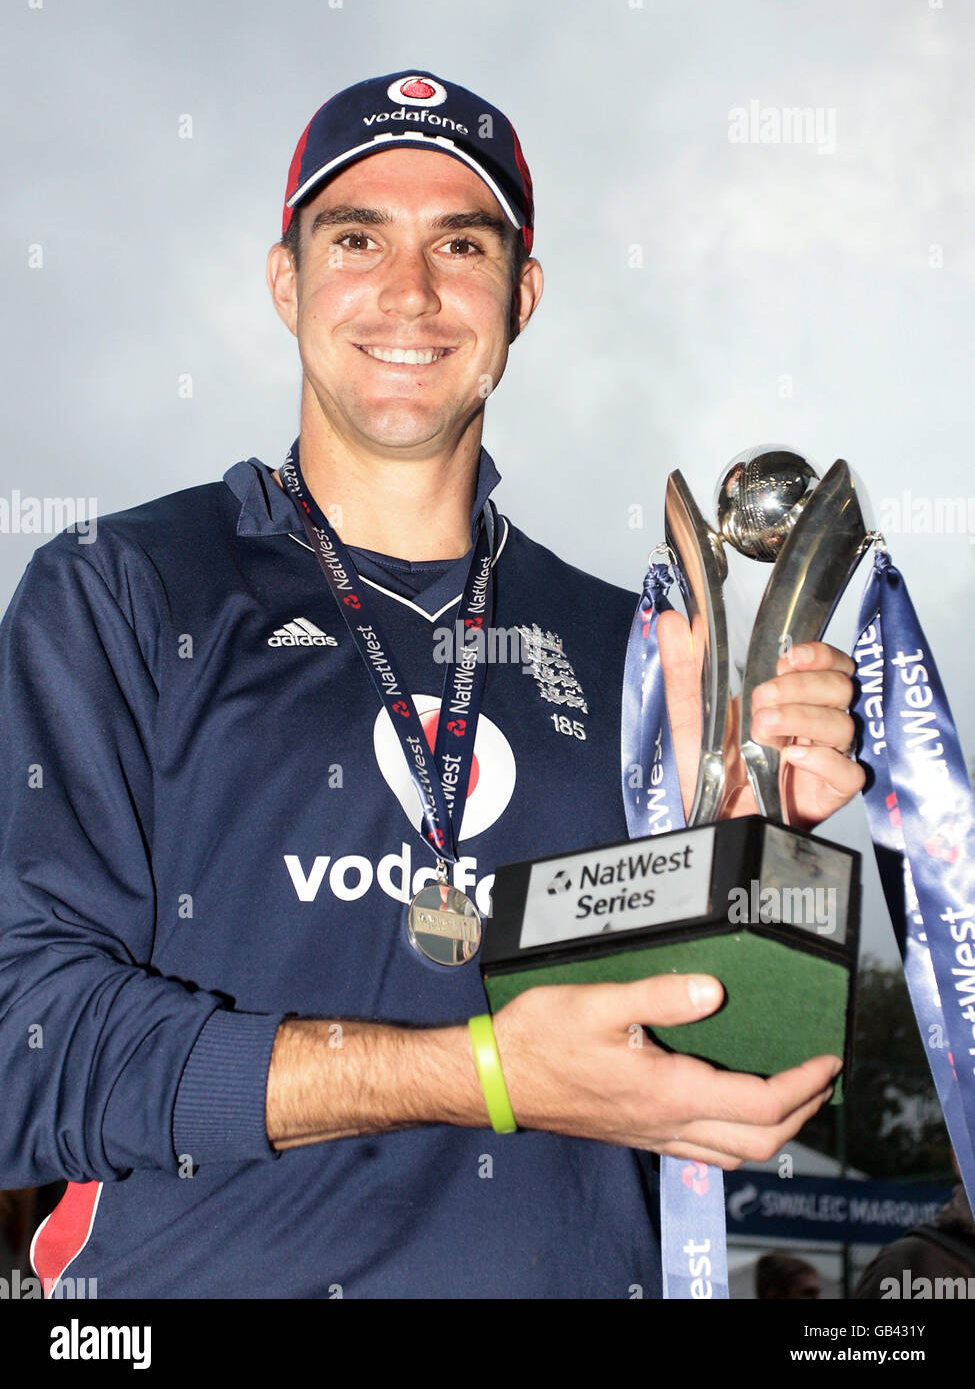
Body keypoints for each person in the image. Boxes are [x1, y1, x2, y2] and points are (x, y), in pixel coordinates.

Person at [0, 69, 863, 1299]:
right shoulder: (123, 589)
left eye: (460, 244)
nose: (409, 292)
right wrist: (475, 1072)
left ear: (524, 295)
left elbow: (707, 1073)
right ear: (286, 281)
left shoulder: (634, 644)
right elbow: (22, 1052)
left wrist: (750, 855)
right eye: (356, 238)